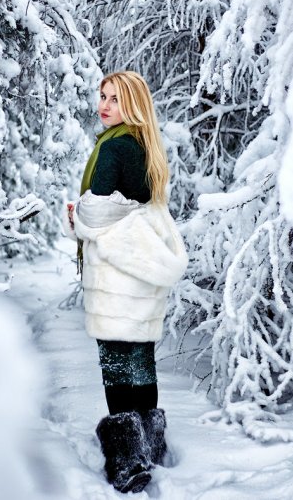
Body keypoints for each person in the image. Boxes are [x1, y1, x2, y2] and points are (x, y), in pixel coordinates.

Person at [63, 71, 187, 493]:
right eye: (102, 96)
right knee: (140, 358)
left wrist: (74, 216)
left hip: (117, 272)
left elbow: (97, 213)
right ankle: (150, 446)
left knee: (116, 362)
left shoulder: (115, 147)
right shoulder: (146, 145)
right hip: (144, 269)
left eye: (114, 99)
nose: (104, 105)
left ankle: (126, 461)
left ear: (132, 105)